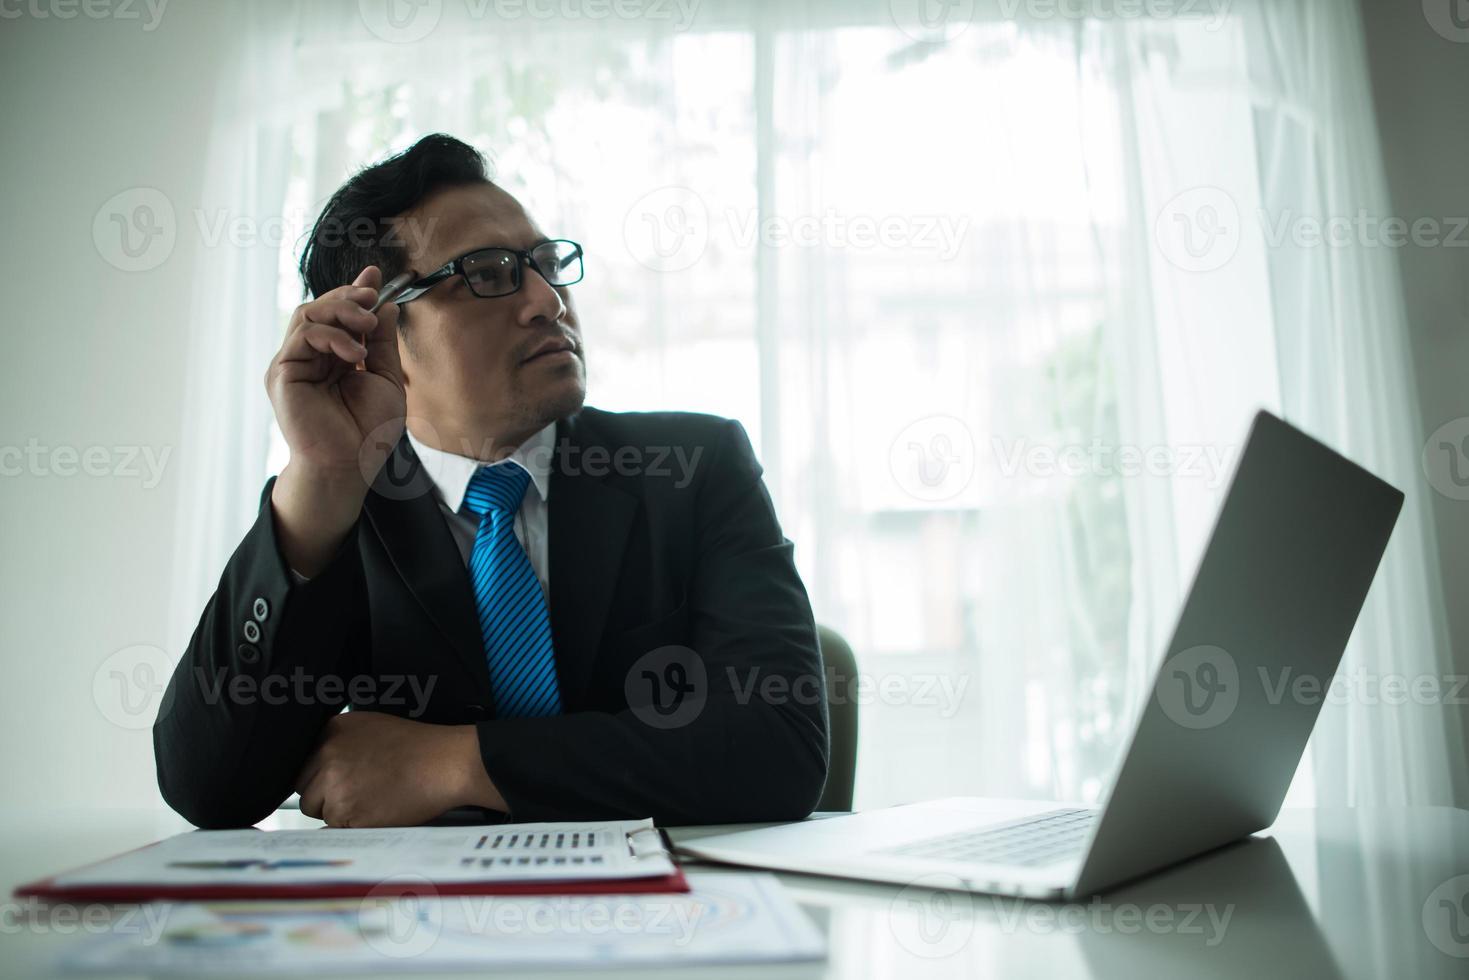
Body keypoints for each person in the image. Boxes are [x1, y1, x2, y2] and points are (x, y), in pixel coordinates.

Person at [153, 134, 829, 829]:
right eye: (487, 271)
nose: (546, 300)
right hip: (417, 921)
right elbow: (209, 787)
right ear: (373, 332)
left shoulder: (694, 466)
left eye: (543, 263)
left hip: (663, 917)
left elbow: (777, 750)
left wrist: (451, 763)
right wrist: (317, 485)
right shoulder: (339, 508)